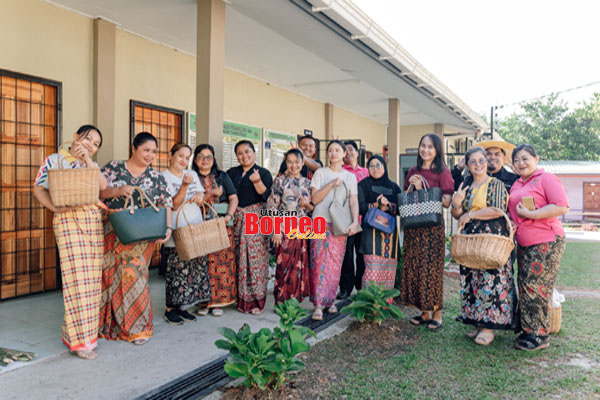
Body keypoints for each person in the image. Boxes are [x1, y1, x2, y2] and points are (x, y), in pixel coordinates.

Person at [33, 125, 107, 360]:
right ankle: (80, 341)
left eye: (95, 144)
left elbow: (102, 187)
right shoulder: (54, 160)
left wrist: (87, 160)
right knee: (76, 278)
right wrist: (54, 207)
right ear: (76, 136)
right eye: (88, 139)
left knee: (92, 280)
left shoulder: (90, 165)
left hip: (92, 221)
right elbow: (38, 188)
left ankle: (83, 333)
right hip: (67, 221)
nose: (90, 145)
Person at [99, 132, 173, 345]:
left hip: (142, 234)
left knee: (135, 276)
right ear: (134, 148)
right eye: (146, 150)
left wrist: (167, 227)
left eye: (153, 151)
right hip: (114, 229)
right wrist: (118, 191)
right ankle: (109, 325)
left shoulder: (157, 177)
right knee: (109, 275)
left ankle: (137, 327)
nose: (150, 155)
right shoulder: (113, 168)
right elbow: (98, 191)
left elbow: (165, 203)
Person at [451, 147, 516, 345]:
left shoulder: (495, 183)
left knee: (491, 279)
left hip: (490, 237)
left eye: (482, 160)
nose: (478, 164)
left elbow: (497, 210)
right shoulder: (466, 185)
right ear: (468, 165)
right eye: (473, 161)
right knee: (473, 279)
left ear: (487, 163)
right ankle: (478, 321)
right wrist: (457, 203)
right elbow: (458, 215)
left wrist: (470, 215)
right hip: (472, 238)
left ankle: (490, 327)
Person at [508, 144, 569, 351]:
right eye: (516, 160)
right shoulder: (517, 183)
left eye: (525, 158)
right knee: (525, 284)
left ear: (536, 159)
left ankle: (540, 335)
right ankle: (528, 329)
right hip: (524, 242)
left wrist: (531, 215)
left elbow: (561, 205)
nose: (521, 163)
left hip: (546, 241)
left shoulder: (547, 179)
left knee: (538, 287)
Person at [400, 133, 454, 330]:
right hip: (414, 227)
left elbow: (447, 202)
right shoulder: (413, 171)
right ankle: (424, 312)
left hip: (432, 229)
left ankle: (437, 312)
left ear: (437, 150)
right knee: (415, 268)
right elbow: (407, 197)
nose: (425, 150)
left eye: (430, 147)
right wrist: (414, 187)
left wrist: (423, 188)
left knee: (432, 269)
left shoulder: (443, 172)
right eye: (423, 145)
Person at [310, 140, 361, 320]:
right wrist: (331, 184)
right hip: (319, 221)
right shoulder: (320, 173)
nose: (333, 153)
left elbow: (353, 201)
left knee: (334, 264)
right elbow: (314, 199)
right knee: (318, 262)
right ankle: (317, 304)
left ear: (343, 154)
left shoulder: (350, 177)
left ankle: (330, 300)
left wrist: (355, 222)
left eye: (337, 150)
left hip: (339, 224)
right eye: (330, 150)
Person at [161, 143, 211, 325]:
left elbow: (200, 195)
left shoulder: (192, 174)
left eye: (187, 157)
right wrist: (184, 186)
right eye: (180, 156)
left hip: (195, 227)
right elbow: (173, 204)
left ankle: (183, 306)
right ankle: (170, 309)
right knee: (176, 271)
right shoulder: (163, 177)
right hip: (177, 228)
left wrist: (198, 196)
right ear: (171, 155)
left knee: (192, 269)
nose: (183, 160)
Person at [192, 144, 239, 317]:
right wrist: (210, 193)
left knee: (221, 264)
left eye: (209, 157)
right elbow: (193, 201)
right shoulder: (191, 177)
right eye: (201, 156)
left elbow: (233, 198)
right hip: (200, 225)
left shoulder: (222, 176)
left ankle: (219, 302)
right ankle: (204, 302)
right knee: (202, 264)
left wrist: (229, 215)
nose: (205, 160)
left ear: (214, 159)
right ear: (195, 160)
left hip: (221, 224)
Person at [227, 140, 273, 314]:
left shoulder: (263, 172)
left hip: (256, 221)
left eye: (247, 152)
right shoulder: (232, 173)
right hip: (236, 220)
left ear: (254, 153)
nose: (244, 156)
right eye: (240, 153)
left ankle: (256, 301)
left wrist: (258, 182)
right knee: (238, 258)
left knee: (255, 260)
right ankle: (240, 299)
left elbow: (267, 195)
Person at [267, 148, 313, 305]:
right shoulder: (280, 181)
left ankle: (294, 302)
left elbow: (312, 207)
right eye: (290, 162)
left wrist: (307, 204)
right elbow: (272, 206)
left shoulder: (308, 183)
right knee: (283, 265)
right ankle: (281, 300)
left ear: (302, 163)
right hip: (284, 229)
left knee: (299, 266)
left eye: (297, 162)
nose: (294, 165)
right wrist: (276, 230)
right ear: (286, 163)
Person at [358, 155, 401, 298]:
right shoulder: (363, 185)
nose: (375, 169)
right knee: (371, 266)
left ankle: (385, 303)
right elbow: (360, 207)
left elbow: (402, 209)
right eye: (371, 166)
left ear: (384, 166)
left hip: (390, 235)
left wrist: (388, 205)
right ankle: (369, 304)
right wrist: (376, 205)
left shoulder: (394, 187)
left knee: (388, 267)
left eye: (378, 165)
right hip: (371, 234)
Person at [338, 140, 369, 299]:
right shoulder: (340, 171)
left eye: (351, 150)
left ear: (357, 153)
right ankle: (345, 288)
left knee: (362, 255)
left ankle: (361, 286)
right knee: (347, 255)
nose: (348, 153)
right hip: (345, 220)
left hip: (363, 221)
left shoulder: (366, 172)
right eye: (345, 150)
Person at [452, 140, 519, 192]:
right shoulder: (473, 177)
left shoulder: (514, 179)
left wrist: (520, 174)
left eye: (497, 154)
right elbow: (454, 186)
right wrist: (458, 169)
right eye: (489, 154)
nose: (492, 157)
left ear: (504, 158)